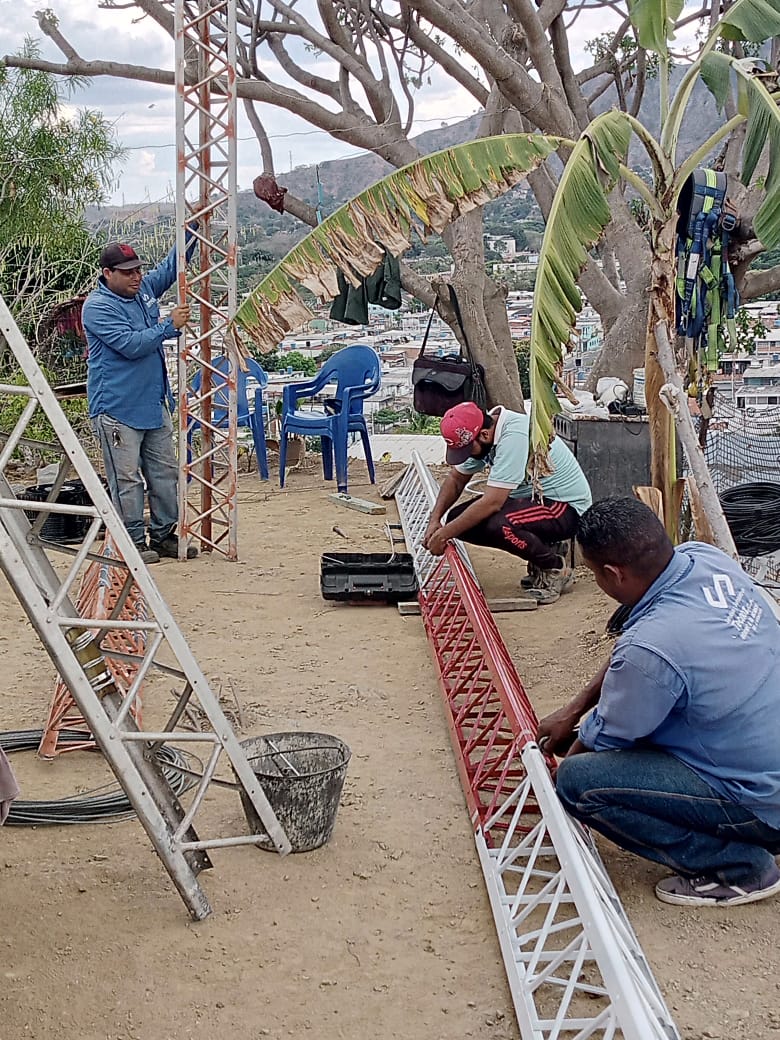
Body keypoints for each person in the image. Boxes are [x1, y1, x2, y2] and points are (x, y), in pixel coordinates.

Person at [538, 496, 780, 907]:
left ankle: (740, 868)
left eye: (595, 574)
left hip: (763, 803)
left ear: (613, 574)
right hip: (764, 759)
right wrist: (574, 710)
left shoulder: (651, 647)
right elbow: (637, 654)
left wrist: (556, 780)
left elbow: (606, 738)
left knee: (581, 784)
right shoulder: (703, 559)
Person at [83, 234, 198, 564]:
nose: (136, 277)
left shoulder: (142, 290)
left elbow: (170, 268)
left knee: (164, 474)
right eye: (127, 272)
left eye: (138, 270)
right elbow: (131, 345)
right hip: (117, 409)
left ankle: (163, 536)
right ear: (107, 273)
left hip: (152, 403)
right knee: (127, 480)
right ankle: (132, 540)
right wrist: (168, 327)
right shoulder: (98, 308)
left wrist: (190, 234)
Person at [422, 401, 592, 604]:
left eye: (468, 451)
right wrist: (435, 520)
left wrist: (444, 534)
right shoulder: (485, 435)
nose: (467, 456)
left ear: (484, 435)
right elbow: (456, 479)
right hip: (534, 500)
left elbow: (492, 502)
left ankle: (554, 567)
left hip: (564, 507)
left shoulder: (513, 436)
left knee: (500, 525)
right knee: (456, 519)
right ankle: (543, 552)